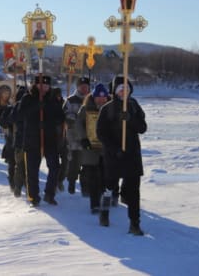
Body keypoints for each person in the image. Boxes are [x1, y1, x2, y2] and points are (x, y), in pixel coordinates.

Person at [96, 75, 147, 235]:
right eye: (120, 89)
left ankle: (134, 223)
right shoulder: (107, 108)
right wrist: (114, 149)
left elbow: (142, 128)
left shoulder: (134, 105)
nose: (124, 92)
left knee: (134, 191)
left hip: (132, 155)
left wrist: (130, 119)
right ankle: (104, 214)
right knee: (109, 188)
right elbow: (101, 133)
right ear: (115, 91)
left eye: (126, 89)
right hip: (114, 156)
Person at [18, 75, 65, 206]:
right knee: (32, 170)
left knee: (55, 167)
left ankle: (49, 194)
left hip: (49, 139)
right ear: (35, 85)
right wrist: (36, 107)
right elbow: (20, 114)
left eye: (46, 85)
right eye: (40, 85)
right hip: (32, 139)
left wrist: (51, 121)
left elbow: (60, 117)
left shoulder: (52, 99)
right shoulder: (28, 98)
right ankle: (33, 196)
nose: (43, 87)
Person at [76, 83, 110, 214]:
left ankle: (105, 199)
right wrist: (83, 138)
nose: (101, 100)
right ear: (94, 97)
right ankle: (94, 204)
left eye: (103, 97)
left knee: (105, 176)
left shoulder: (110, 108)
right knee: (92, 177)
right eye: (98, 97)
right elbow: (78, 124)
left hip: (106, 149)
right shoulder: (85, 109)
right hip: (90, 148)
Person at [62, 77, 90, 195]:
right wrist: (77, 120)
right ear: (77, 87)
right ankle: (72, 183)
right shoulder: (70, 100)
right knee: (74, 161)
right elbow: (65, 114)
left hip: (87, 136)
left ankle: (85, 186)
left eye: (86, 86)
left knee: (87, 163)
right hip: (73, 136)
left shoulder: (90, 100)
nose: (84, 88)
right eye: (82, 86)